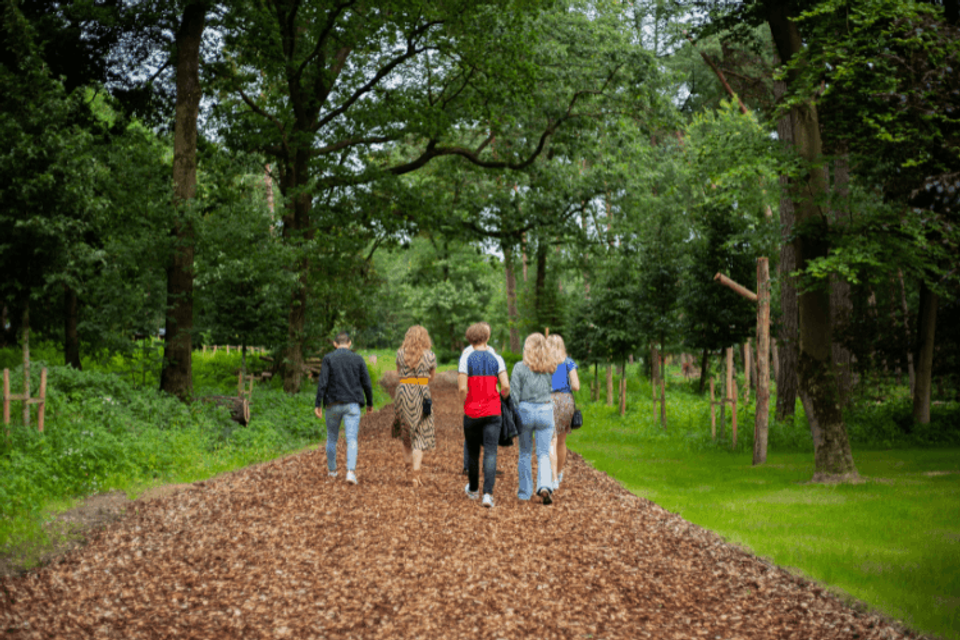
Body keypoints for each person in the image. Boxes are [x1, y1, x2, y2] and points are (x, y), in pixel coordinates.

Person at [458, 322, 510, 508]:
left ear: (470, 339)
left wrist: (466, 402)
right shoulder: (497, 358)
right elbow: (505, 386)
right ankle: (488, 494)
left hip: (472, 411)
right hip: (493, 411)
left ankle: (473, 489)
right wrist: (499, 398)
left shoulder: (466, 358)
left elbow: (462, 387)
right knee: (490, 451)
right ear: (487, 338)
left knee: (473, 451)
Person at [314, 332, 373, 485]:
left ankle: (332, 471)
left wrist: (318, 403)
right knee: (351, 439)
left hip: (332, 404)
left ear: (335, 344)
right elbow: (366, 382)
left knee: (332, 438)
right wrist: (370, 402)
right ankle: (350, 472)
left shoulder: (328, 358)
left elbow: (323, 382)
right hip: (352, 405)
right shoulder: (358, 359)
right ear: (350, 343)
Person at [511, 332, 557, 505]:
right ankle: (545, 485)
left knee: (524, 452)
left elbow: (514, 395)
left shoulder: (519, 368)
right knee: (543, 453)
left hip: (525, 411)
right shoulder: (551, 367)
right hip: (545, 409)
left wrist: (515, 413)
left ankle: (524, 492)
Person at [393, 325, 437, 487]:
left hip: (403, 393)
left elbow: (399, 374)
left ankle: (408, 465)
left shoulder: (400, 354)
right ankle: (416, 473)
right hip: (422, 393)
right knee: (420, 432)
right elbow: (432, 377)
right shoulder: (430, 356)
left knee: (405, 431)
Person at [547, 333, 580, 491]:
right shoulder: (568, 363)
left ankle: (552, 478)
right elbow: (576, 386)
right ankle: (559, 474)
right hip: (566, 401)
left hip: (548, 400)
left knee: (550, 440)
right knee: (561, 441)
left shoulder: (544, 363)